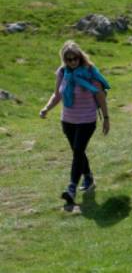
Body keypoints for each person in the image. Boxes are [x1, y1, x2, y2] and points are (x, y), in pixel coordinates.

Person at [39, 41, 111, 204]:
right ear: (64, 60)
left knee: (78, 150)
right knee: (78, 152)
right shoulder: (62, 72)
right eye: (68, 59)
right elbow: (57, 95)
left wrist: (106, 119)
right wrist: (46, 108)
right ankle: (88, 177)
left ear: (80, 57)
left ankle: (71, 187)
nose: (72, 62)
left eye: (75, 59)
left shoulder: (90, 72)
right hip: (68, 120)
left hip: (87, 119)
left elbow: (100, 96)